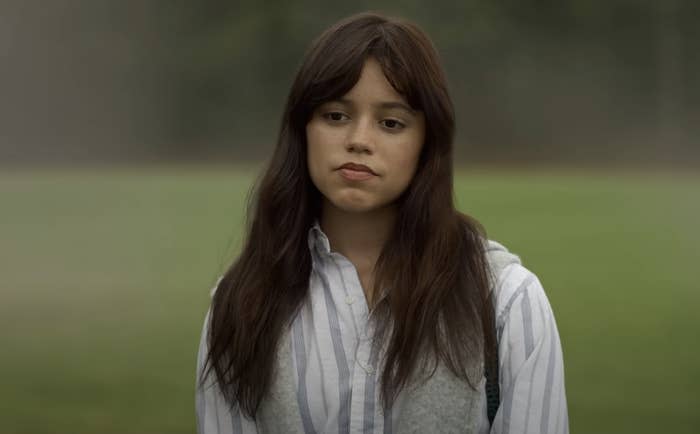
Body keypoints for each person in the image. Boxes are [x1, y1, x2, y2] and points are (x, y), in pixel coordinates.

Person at [195, 12, 568, 434]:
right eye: (335, 115)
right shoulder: (241, 303)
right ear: (302, 129)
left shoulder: (508, 301)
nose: (359, 139)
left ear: (428, 144)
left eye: (391, 123)